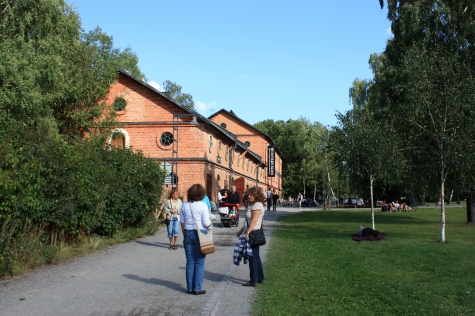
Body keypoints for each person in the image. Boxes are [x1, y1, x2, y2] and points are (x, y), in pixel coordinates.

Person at [180, 184, 212, 295]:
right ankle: (197, 288)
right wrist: (211, 222)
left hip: (188, 233)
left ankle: (189, 288)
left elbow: (182, 223)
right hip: (200, 234)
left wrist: (185, 234)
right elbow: (206, 223)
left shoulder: (184, 205)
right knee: (199, 262)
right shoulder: (202, 205)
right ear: (201, 194)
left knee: (190, 261)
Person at [237, 186, 266, 286]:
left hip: (253, 233)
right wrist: (242, 230)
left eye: (251, 195)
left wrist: (248, 232)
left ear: (256, 195)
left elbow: (254, 220)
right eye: (248, 195)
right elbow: (248, 221)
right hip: (252, 232)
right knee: (256, 256)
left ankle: (253, 280)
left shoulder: (257, 205)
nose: (249, 196)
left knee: (252, 257)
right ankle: (260, 278)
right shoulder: (254, 205)